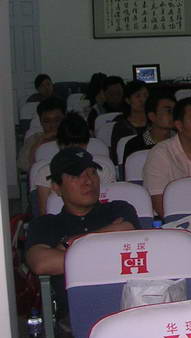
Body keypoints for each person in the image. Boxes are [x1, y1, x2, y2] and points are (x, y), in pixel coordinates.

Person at [25, 148, 139, 317]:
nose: (88, 181)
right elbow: (41, 263)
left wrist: (69, 244)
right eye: (76, 176)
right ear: (57, 187)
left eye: (92, 173)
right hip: (76, 314)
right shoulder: (46, 224)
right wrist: (108, 251)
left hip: (128, 308)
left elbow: (128, 230)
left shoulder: (119, 209)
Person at [32, 112, 117, 215]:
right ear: (59, 144)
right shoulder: (45, 173)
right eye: (69, 147)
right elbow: (45, 213)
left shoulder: (102, 170)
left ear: (86, 144)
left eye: (79, 146)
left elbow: (109, 206)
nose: (74, 152)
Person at [122, 93, 176, 163]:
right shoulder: (134, 146)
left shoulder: (182, 140)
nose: (174, 115)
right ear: (152, 116)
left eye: (175, 111)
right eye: (169, 111)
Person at [18, 96, 66, 172]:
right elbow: (24, 166)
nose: (52, 125)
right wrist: (40, 141)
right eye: (47, 121)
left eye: (57, 120)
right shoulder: (33, 139)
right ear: (40, 122)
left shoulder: (74, 138)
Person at [109, 79, 149, 164]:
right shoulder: (121, 127)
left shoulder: (154, 123)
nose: (143, 100)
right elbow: (116, 156)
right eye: (138, 96)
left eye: (145, 95)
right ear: (127, 100)